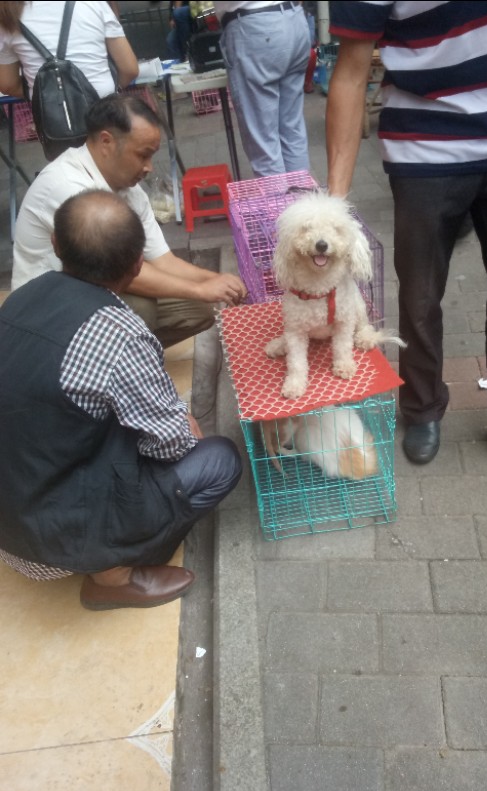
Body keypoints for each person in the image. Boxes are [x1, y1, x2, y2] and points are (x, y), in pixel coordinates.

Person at [326, 1, 487, 492]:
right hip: (424, 149)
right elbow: (350, 74)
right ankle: (421, 408)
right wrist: (334, 208)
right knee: (418, 293)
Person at [0, 189, 243, 611]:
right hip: (55, 543)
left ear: (57, 245)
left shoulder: (21, 296)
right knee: (219, 458)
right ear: (136, 266)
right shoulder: (121, 334)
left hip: (9, 520)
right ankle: (113, 575)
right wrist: (177, 421)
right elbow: (172, 444)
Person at [11, 93, 247, 348]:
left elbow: (162, 259)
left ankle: (125, 354)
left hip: (96, 286)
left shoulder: (129, 189)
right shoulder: (68, 186)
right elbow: (119, 271)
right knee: (138, 308)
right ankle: (92, 363)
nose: (149, 168)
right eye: (142, 155)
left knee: (197, 311)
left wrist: (213, 280)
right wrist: (200, 289)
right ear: (106, 142)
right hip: (48, 308)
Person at [215, 1, 311, 177]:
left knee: (265, 146)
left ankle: (280, 204)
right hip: (293, 18)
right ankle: (303, 201)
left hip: (255, 26)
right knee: (292, 131)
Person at [0, 0, 139, 99]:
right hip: (104, 108)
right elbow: (130, 69)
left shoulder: (8, 16)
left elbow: (8, 85)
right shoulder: (95, 4)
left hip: (53, 121)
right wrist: (111, 90)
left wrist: (38, 94)